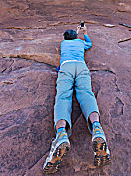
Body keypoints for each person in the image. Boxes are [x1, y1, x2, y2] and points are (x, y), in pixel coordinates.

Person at [43, 25, 111, 174]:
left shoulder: (63, 44)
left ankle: (61, 133)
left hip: (66, 67)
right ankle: (97, 128)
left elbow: (70, 37)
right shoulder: (81, 43)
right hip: (81, 66)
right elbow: (89, 43)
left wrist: (76, 32)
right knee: (87, 93)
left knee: (63, 97)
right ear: (76, 36)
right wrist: (84, 32)